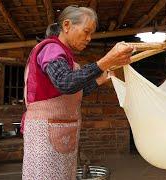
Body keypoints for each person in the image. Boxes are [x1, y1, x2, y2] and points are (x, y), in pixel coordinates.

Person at [21, 5, 133, 180]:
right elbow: (65, 82)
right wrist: (104, 61)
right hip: (45, 135)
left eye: (91, 34)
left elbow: (72, 93)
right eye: (86, 31)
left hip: (60, 132)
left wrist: (100, 79)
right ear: (67, 26)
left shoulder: (64, 55)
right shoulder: (51, 49)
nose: (89, 38)